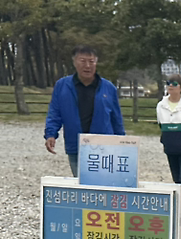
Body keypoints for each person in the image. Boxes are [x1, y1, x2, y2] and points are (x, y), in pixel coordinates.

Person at [44, 46, 125, 176]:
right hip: (76, 145)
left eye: (91, 61)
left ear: (96, 63)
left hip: (104, 146)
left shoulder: (108, 88)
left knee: (104, 182)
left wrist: (122, 142)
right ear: (74, 62)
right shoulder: (62, 86)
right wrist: (50, 134)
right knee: (81, 183)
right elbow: (55, 113)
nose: (87, 65)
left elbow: (116, 119)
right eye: (82, 61)